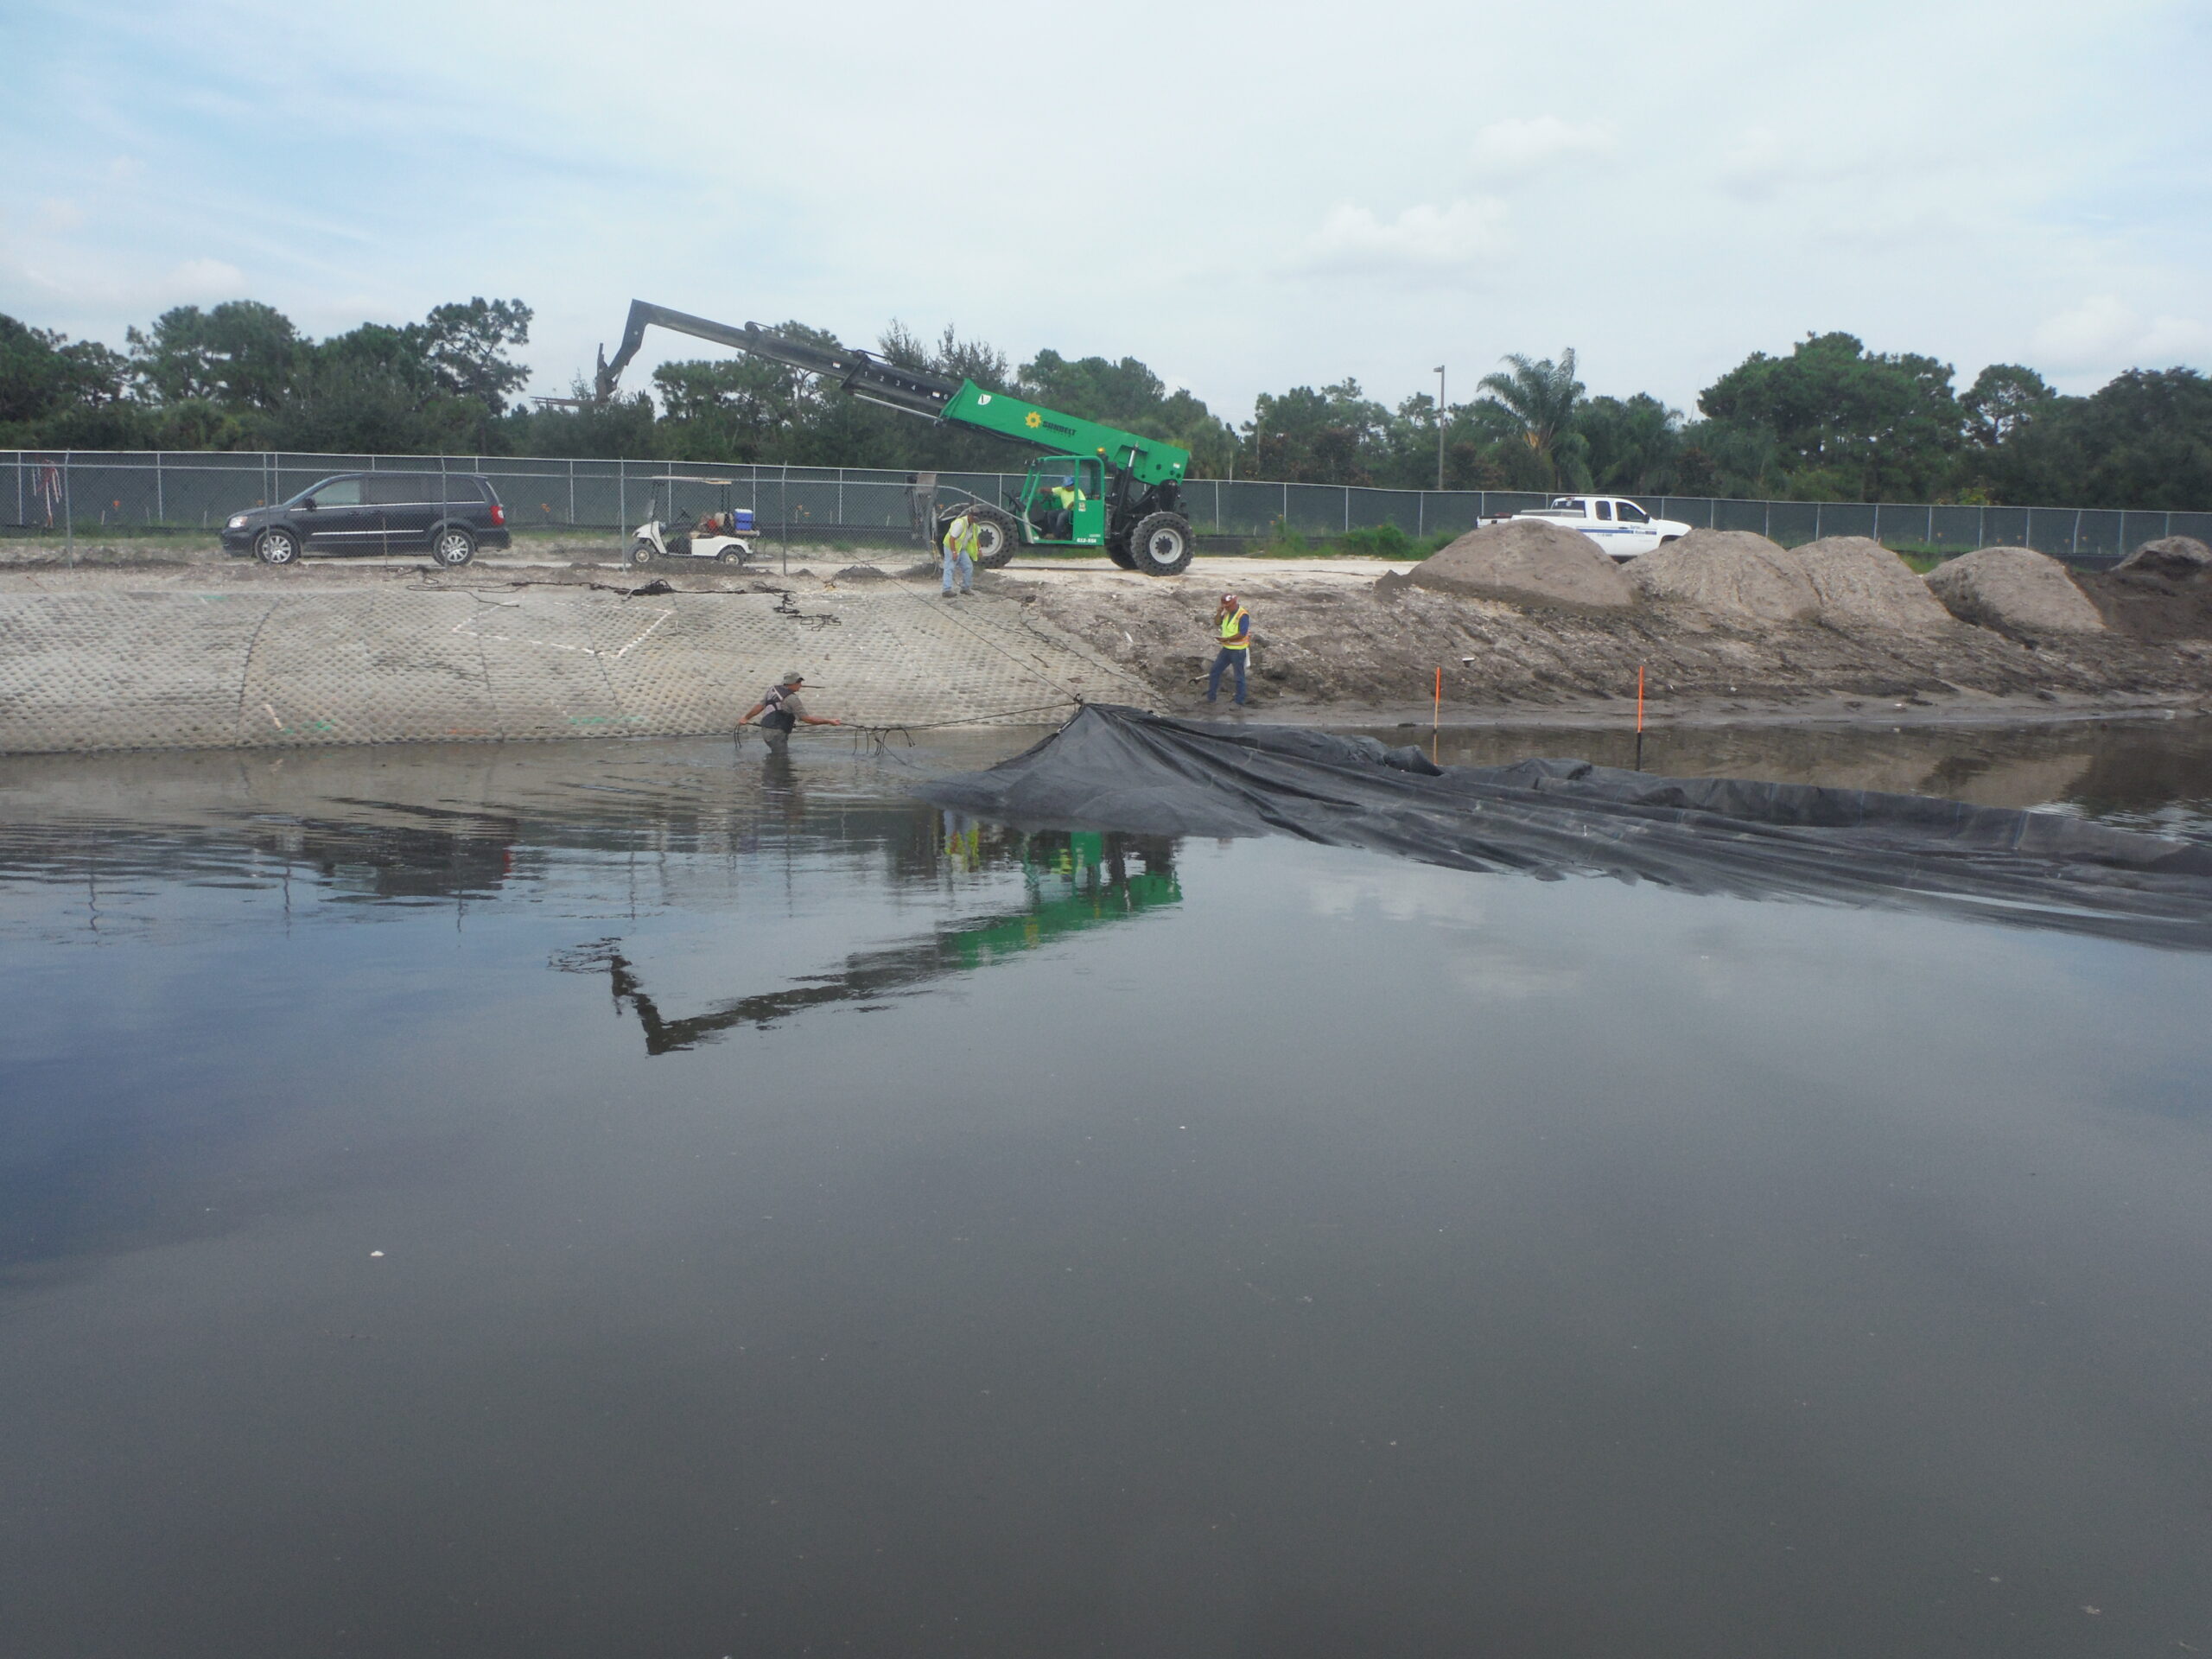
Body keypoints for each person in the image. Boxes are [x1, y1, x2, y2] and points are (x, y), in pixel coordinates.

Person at [741, 671, 842, 749]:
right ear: (794, 683)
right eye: (799, 682)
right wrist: (828, 721)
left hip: (766, 731)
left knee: (777, 758)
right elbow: (806, 719)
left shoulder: (773, 690)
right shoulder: (792, 699)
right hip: (776, 734)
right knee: (781, 761)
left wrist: (745, 718)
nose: (801, 685)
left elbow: (760, 706)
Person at [1206, 593, 1251, 706]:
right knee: (1215, 671)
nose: (1226, 608)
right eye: (1225, 606)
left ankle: (1239, 701)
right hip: (1226, 649)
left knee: (1239, 677)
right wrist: (1219, 612)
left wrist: (1227, 639)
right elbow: (1217, 622)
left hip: (1238, 650)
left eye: (1228, 606)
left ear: (1234, 603)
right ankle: (1211, 698)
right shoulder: (1226, 612)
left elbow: (1242, 633)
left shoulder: (1243, 615)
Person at [941, 509, 976, 597]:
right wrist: (954, 552)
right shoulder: (960, 524)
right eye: (974, 518)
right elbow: (951, 539)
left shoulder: (972, 525)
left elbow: (973, 538)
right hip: (950, 547)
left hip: (961, 548)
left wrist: (978, 549)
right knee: (950, 567)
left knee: (968, 567)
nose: (975, 521)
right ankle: (946, 590)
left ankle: (965, 588)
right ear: (969, 516)